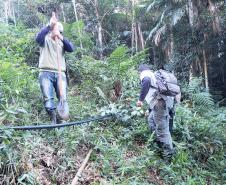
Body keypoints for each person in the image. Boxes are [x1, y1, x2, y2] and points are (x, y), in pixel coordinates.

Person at [36, 12, 74, 124]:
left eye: (59, 31)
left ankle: (62, 118)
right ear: (50, 30)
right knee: (48, 99)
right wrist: (50, 25)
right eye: (54, 30)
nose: (56, 32)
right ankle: (53, 118)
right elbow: (38, 38)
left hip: (60, 74)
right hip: (45, 73)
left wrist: (60, 36)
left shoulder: (62, 43)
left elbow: (71, 48)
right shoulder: (44, 40)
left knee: (63, 98)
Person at [136, 64, 174, 161]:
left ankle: (168, 158)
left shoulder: (145, 74)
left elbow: (147, 81)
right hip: (164, 103)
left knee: (163, 131)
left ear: (140, 71)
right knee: (151, 120)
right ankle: (158, 143)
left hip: (160, 104)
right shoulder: (154, 74)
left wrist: (140, 100)